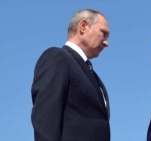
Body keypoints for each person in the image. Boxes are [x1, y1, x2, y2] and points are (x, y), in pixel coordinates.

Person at [31, 9, 110, 141]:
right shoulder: (57, 58)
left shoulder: (93, 76)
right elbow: (45, 117)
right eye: (103, 34)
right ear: (83, 26)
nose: (106, 43)